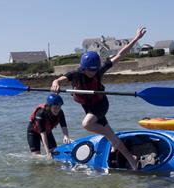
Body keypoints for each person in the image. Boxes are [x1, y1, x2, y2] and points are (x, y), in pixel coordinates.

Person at [51, 27, 146, 170]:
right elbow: (58, 80)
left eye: (95, 70)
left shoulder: (98, 71)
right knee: (111, 136)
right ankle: (131, 159)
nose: (93, 73)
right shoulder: (76, 74)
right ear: (83, 68)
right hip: (88, 107)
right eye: (90, 70)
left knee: (87, 124)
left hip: (101, 105)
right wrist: (55, 83)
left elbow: (120, 55)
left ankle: (113, 140)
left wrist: (136, 39)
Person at [27, 94, 71, 159]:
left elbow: (64, 126)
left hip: (47, 131)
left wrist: (66, 136)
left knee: (54, 151)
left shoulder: (60, 112)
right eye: (55, 108)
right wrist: (47, 153)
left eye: (59, 107)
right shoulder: (41, 113)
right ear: (49, 106)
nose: (57, 110)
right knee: (36, 156)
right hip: (33, 132)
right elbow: (43, 135)